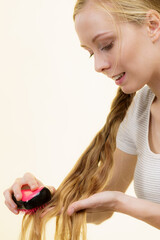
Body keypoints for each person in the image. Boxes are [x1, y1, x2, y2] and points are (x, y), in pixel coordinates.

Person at [3, 0, 160, 239]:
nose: (98, 65)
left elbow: (113, 201)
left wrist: (122, 203)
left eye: (106, 45)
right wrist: (42, 198)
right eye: (91, 53)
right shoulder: (139, 111)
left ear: (152, 25)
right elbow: (99, 206)